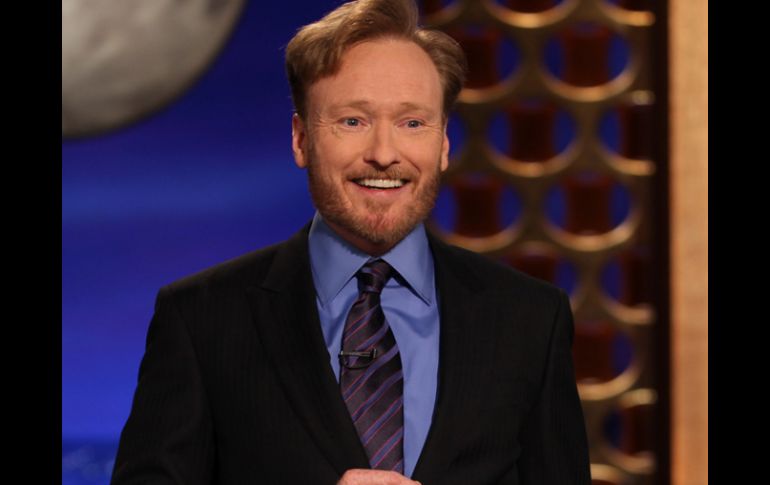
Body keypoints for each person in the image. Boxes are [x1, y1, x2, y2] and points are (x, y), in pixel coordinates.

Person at [110, 0, 591, 484]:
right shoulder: (201, 318)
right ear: (301, 139)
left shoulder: (530, 319)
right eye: (352, 121)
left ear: (443, 143)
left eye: (412, 123)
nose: (383, 154)